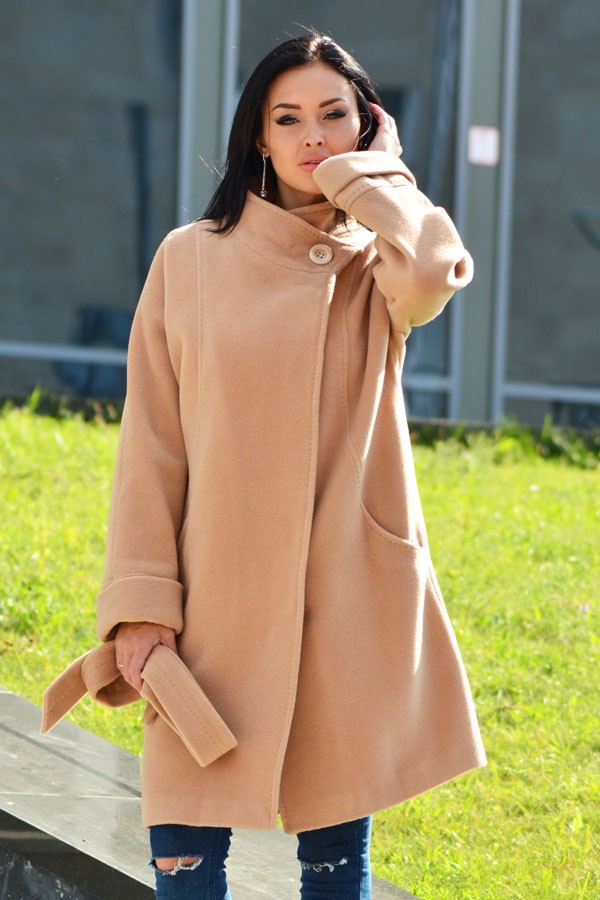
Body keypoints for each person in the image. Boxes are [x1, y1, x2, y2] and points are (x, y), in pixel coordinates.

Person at [100, 31, 486, 900]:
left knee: (334, 867)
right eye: (288, 119)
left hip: (340, 592)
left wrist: (372, 179)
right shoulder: (188, 258)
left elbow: (434, 270)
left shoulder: (377, 263)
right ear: (258, 137)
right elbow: (151, 445)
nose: (312, 136)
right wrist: (140, 605)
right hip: (212, 597)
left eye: (333, 116)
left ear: (365, 127)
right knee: (184, 861)